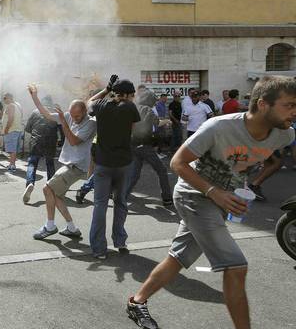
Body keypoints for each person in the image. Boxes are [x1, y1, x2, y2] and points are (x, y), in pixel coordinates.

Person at [126, 76, 296, 329]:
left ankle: (137, 302)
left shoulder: (284, 135)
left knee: (178, 258)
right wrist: (214, 191)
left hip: (223, 198)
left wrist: (245, 186)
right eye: (289, 105)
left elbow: (260, 162)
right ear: (263, 104)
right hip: (193, 195)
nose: (294, 111)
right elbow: (177, 163)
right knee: (236, 266)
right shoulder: (218, 127)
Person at [29, 84, 96, 240]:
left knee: (47, 189)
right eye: (71, 115)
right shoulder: (68, 115)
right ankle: (72, 228)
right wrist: (34, 96)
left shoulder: (91, 124)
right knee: (57, 196)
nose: (73, 118)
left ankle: (50, 226)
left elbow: (73, 140)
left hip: (76, 166)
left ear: (84, 112)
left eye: (77, 116)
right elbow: (46, 114)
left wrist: (64, 121)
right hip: (68, 164)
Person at [87, 75, 140, 260]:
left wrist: (106, 89)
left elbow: (90, 101)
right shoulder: (130, 107)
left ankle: (99, 249)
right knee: (121, 202)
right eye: (132, 95)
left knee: (100, 205)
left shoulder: (101, 105)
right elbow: (132, 130)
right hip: (123, 162)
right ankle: (119, 240)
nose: (133, 98)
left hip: (102, 163)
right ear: (126, 95)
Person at [125, 88, 173, 206]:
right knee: (161, 170)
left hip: (132, 145)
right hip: (144, 146)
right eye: (153, 100)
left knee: (134, 174)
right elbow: (157, 123)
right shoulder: (146, 109)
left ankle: (122, 195)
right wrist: (167, 121)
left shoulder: (133, 107)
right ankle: (167, 198)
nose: (155, 102)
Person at [22, 96, 58, 203]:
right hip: (51, 142)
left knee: (32, 163)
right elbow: (61, 128)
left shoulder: (35, 112)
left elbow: (28, 128)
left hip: (36, 141)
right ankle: (51, 187)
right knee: (50, 164)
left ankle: (30, 183)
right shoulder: (55, 113)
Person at [2, 93, 23, 172]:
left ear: (9, 98)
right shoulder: (18, 105)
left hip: (11, 130)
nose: (4, 100)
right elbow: (21, 116)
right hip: (17, 129)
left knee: (12, 149)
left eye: (5, 98)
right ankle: (11, 163)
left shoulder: (10, 105)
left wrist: (6, 129)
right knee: (13, 148)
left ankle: (12, 165)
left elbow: (10, 118)